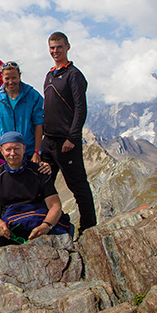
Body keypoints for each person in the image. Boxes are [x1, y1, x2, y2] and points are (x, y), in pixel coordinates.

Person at [43, 31, 96, 234]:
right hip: (49, 141)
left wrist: (72, 138)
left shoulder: (74, 75)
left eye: (59, 47)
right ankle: (46, 225)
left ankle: (88, 228)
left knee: (78, 186)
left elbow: (81, 108)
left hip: (66, 143)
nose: (55, 51)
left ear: (68, 47)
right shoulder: (50, 75)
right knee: (43, 185)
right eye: (52, 47)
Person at [0, 132, 67, 251]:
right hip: (9, 227)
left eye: (16, 149)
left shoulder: (39, 171)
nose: (12, 153)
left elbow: (55, 205)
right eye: (8, 149)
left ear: (24, 148)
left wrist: (46, 225)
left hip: (38, 223)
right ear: (1, 150)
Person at [0, 61, 43, 163]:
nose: (10, 82)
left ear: (19, 76)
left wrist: (37, 152)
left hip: (29, 151)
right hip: (6, 152)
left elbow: (38, 124)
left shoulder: (33, 96)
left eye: (14, 78)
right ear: (2, 78)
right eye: (7, 78)